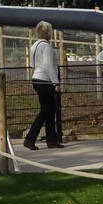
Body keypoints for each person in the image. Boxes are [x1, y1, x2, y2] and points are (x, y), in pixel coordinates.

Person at [23, 20, 63, 150]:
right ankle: (30, 138)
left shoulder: (35, 45)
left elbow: (34, 64)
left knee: (50, 110)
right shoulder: (46, 46)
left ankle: (52, 140)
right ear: (49, 33)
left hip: (37, 78)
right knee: (47, 111)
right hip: (45, 80)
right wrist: (55, 82)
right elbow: (48, 65)